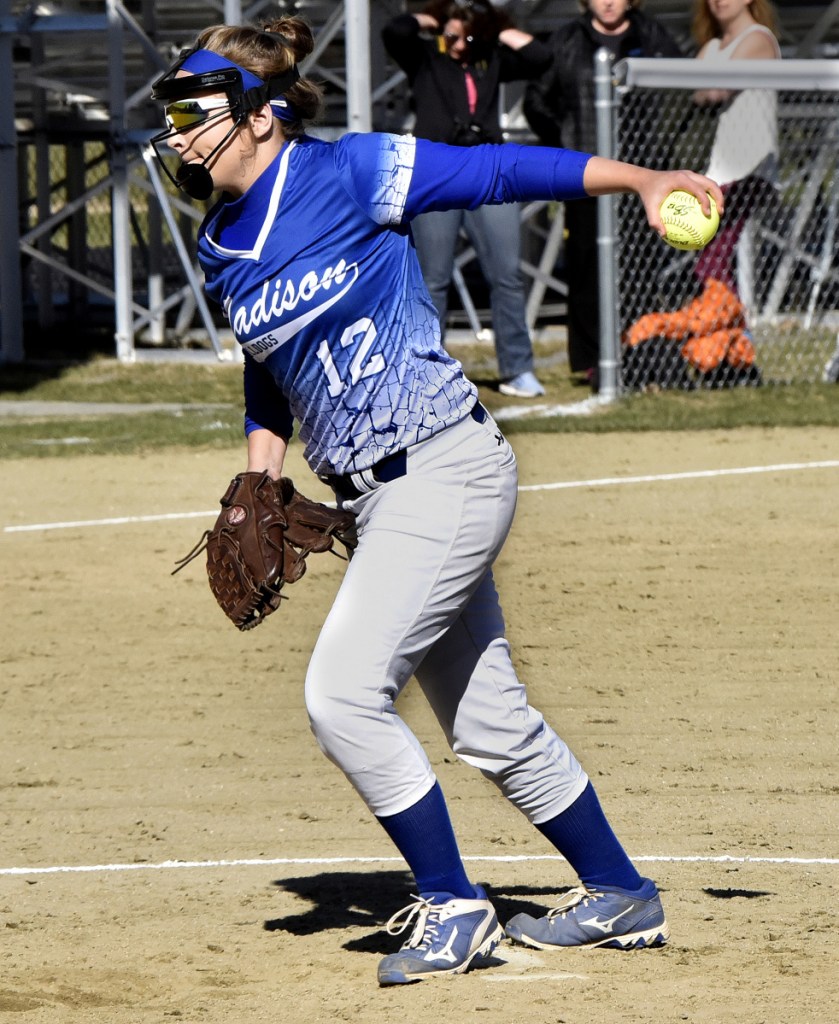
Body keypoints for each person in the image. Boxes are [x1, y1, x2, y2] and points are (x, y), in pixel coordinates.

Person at [149, 15, 722, 986]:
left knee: (339, 695)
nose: (176, 133)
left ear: (257, 116)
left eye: (193, 113)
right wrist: (260, 474)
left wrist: (640, 181)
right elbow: (265, 368)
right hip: (378, 501)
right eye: (169, 117)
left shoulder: (344, 174)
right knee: (489, 724)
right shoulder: (217, 243)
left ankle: (455, 906)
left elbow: (495, 173)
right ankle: (618, 891)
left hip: (443, 466)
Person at [382, 0, 551, 398]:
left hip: (489, 169)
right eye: (454, 36)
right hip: (437, 170)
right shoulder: (426, 57)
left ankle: (517, 369)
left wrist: (491, 31)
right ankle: (425, 373)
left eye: (467, 36)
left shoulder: (489, 58)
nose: (460, 45)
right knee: (433, 279)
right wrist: (438, 23)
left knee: (507, 275)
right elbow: (395, 32)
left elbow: (540, 57)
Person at [523, 0, 682, 388]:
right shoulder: (566, 40)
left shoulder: (654, 36)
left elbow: (678, 95)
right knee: (586, 267)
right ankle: (595, 359)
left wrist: (661, 149)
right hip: (587, 175)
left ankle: (641, 353)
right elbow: (536, 101)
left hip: (643, 174)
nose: (608, 2)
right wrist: (565, 141)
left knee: (640, 268)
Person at [691, 0, 781, 295]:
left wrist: (709, 86)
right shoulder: (712, 47)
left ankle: (735, 332)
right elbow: (697, 94)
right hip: (717, 168)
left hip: (749, 166)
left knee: (713, 260)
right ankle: (726, 329)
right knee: (709, 257)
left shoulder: (758, 38)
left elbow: (714, 91)